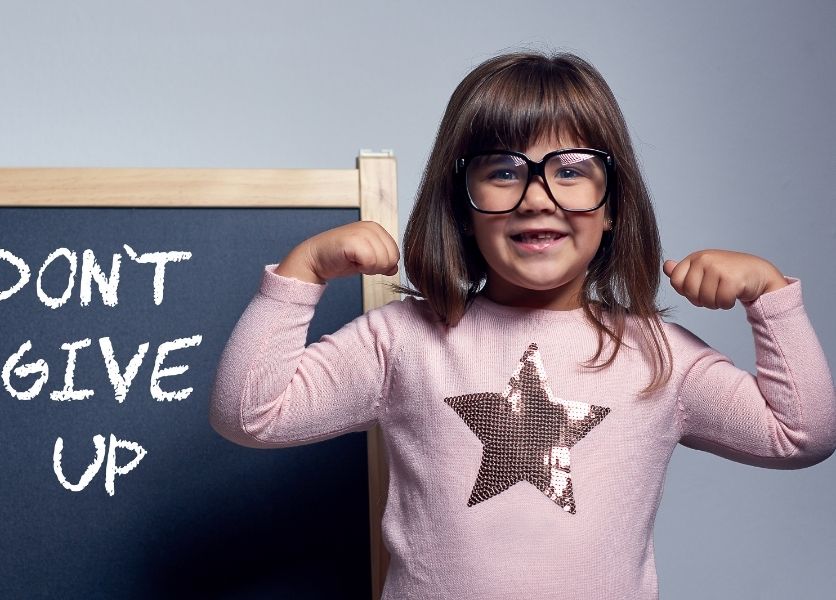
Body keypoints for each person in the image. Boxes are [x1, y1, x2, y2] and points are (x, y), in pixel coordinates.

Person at [209, 52, 836, 599]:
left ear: (614, 205)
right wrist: (303, 273)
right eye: (504, 171)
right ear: (461, 206)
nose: (538, 196)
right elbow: (250, 414)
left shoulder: (658, 357)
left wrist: (772, 299)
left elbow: (802, 434)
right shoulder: (402, 341)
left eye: (570, 170)